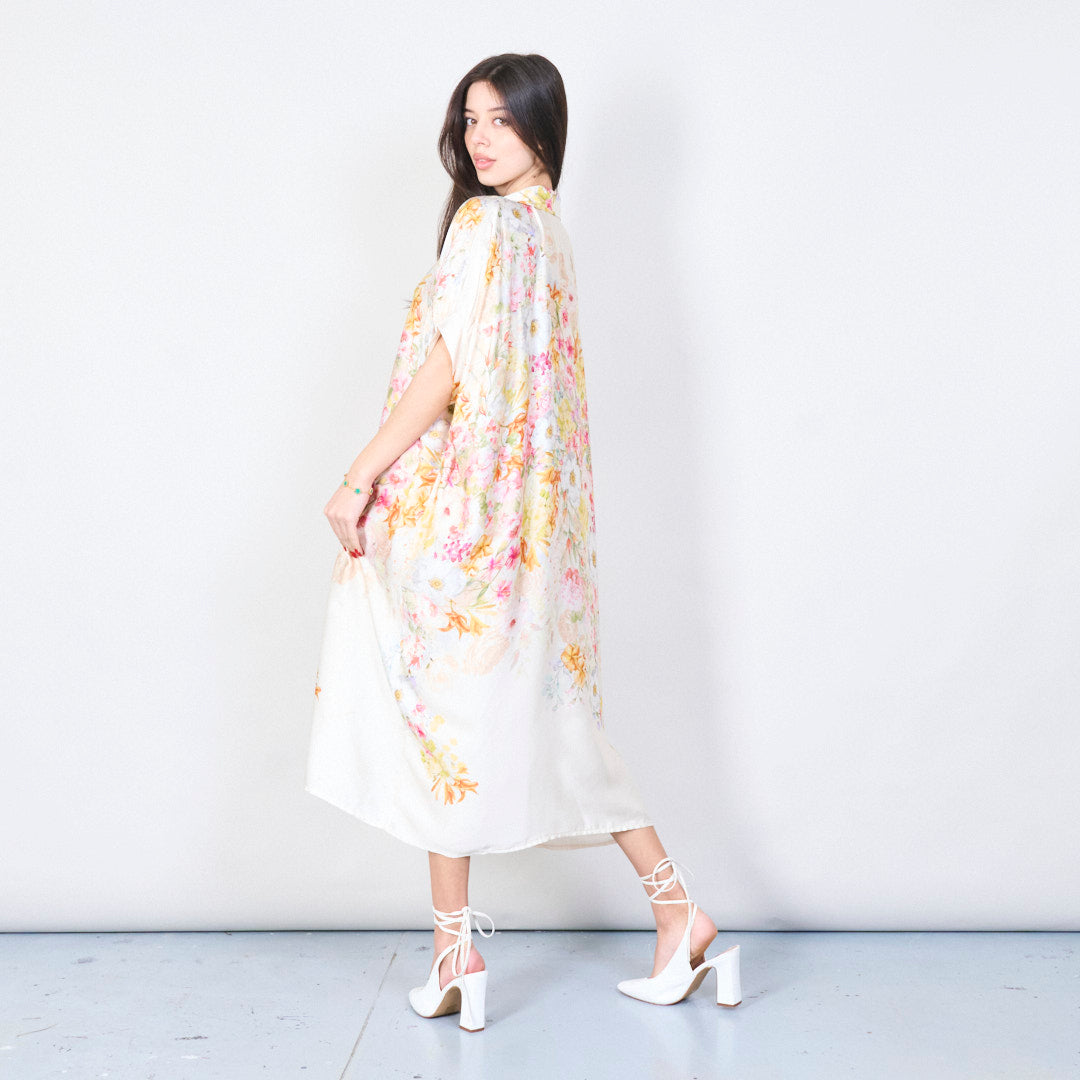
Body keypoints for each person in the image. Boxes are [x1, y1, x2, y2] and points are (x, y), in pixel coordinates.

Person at [305, 53, 740, 1030]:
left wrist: (360, 475)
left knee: (442, 720)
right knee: (548, 720)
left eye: (502, 118)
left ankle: (459, 951)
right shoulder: (548, 231)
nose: (480, 138)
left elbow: (448, 368)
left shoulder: (490, 225)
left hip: (469, 520)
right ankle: (671, 910)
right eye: (471, 119)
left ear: (545, 126)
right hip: (537, 532)